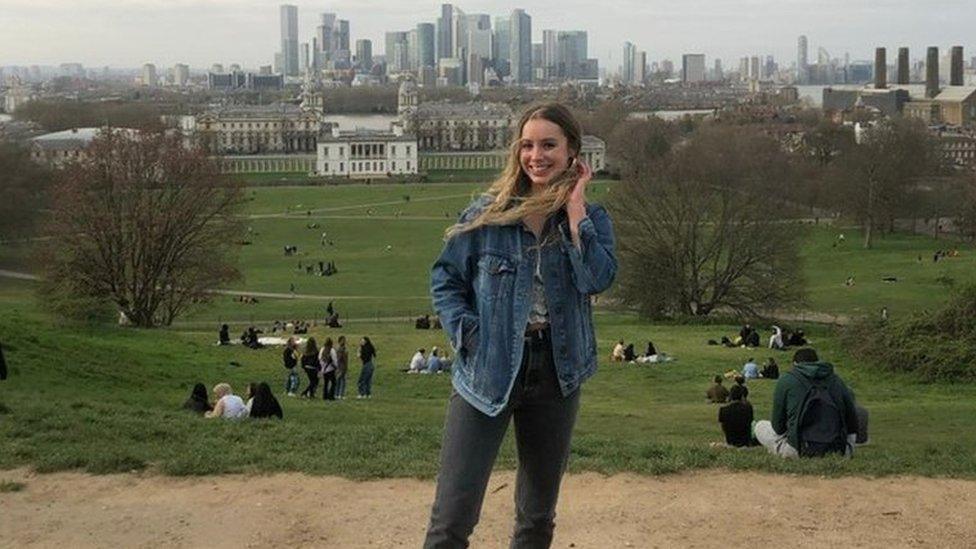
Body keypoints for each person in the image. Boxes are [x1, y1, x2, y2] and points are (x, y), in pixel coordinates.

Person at [425, 103, 616, 547]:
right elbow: (445, 279)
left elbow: (597, 279)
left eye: (549, 145)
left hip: (557, 370)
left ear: (572, 153)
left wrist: (575, 215)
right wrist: (467, 335)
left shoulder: (590, 220)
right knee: (451, 518)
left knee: (536, 518)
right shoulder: (486, 214)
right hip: (487, 369)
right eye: (528, 145)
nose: (537, 155)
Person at [754, 348, 859, 458]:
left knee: (760, 426)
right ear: (818, 362)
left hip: (801, 450)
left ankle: (787, 452)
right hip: (837, 450)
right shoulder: (836, 380)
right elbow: (852, 425)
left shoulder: (787, 379)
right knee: (850, 435)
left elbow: (778, 428)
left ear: (795, 364)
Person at [335, 335, 349, 399]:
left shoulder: (341, 348)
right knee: (341, 381)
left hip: (342, 366)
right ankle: (340, 394)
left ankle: (338, 394)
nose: (344, 341)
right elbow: (340, 358)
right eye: (343, 340)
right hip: (341, 366)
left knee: (340, 380)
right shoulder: (341, 349)